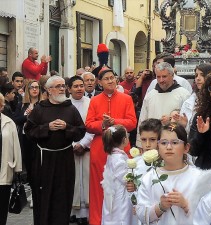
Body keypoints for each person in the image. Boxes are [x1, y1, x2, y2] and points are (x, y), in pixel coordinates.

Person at [24, 75, 86, 225]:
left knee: (62, 196)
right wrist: (47, 128)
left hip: (65, 159)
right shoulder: (40, 109)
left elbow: (80, 131)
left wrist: (67, 128)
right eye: (58, 86)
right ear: (49, 90)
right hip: (44, 160)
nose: (61, 89)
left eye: (63, 86)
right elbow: (29, 131)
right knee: (44, 196)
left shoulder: (70, 108)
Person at [85, 67, 137, 225]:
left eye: (112, 77)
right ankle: (97, 220)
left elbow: (132, 123)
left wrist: (114, 122)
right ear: (99, 83)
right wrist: (103, 124)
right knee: (99, 187)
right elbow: (88, 124)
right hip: (100, 149)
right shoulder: (94, 100)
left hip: (121, 149)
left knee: (122, 186)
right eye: (106, 79)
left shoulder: (126, 99)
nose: (110, 81)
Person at [136, 123, 211, 225]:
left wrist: (185, 205)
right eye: (163, 143)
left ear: (186, 148)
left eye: (175, 142)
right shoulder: (150, 178)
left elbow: (208, 215)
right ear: (158, 147)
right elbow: (141, 213)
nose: (168, 147)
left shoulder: (198, 178)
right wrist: (160, 207)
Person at [136, 62, 190, 147]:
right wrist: (140, 144)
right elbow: (142, 120)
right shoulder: (150, 95)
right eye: (158, 77)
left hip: (174, 144)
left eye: (164, 76)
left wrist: (172, 120)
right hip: (152, 144)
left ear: (172, 75)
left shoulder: (184, 95)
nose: (161, 80)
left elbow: (188, 122)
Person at [68, 76, 94, 225]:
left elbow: (92, 126)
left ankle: (86, 214)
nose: (79, 89)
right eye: (76, 86)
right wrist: (72, 145)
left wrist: (83, 144)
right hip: (69, 149)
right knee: (73, 179)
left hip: (87, 147)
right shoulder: (64, 105)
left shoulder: (91, 103)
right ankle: (72, 212)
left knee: (86, 180)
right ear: (69, 88)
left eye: (81, 86)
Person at [14, 80, 43, 207]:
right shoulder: (23, 104)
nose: (35, 90)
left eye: (37, 87)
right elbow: (16, 119)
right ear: (28, 90)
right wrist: (27, 116)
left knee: (38, 166)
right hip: (25, 139)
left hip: (38, 139)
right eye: (32, 87)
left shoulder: (42, 104)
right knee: (29, 166)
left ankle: (38, 193)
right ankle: (32, 190)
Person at [101, 125, 134, 224]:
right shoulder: (118, 158)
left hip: (113, 191)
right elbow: (125, 178)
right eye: (127, 135)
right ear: (124, 140)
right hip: (119, 193)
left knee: (112, 216)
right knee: (120, 216)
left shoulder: (113, 154)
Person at [0, 93, 22, 225]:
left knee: (2, 207)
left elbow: (16, 147)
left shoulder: (9, 123)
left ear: (1, 106)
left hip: (5, 170)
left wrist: (17, 168)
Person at [179, 63, 211, 133]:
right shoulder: (190, 101)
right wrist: (185, 125)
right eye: (196, 75)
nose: (198, 78)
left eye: (202, 75)